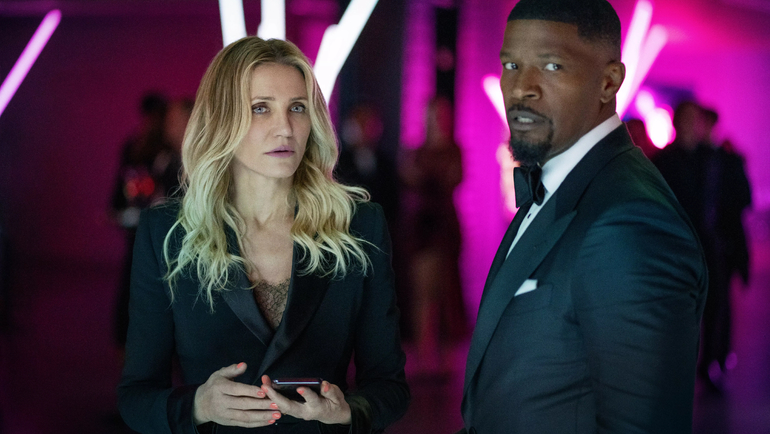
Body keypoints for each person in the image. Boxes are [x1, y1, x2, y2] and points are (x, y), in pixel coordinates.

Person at [117, 37, 409, 433]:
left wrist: (347, 413)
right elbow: (136, 397)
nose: (284, 128)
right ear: (222, 119)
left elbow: (390, 387)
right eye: (260, 108)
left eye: (297, 108)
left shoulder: (359, 226)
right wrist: (198, 406)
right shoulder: (167, 233)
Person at [460, 1, 708, 433]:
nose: (521, 88)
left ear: (609, 82)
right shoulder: (560, 183)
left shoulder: (630, 223)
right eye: (511, 65)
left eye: (551, 66)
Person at [653, 104, 752, 390]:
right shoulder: (664, 161)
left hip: (708, 246)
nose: (689, 125)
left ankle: (709, 363)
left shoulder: (716, 160)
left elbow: (734, 203)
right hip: (676, 248)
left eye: (693, 120)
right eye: (685, 119)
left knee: (713, 306)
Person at [399, 96, 466, 375]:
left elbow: (450, 179)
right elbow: (410, 178)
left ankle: (446, 361)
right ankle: (424, 360)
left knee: (447, 293)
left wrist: (425, 176)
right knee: (423, 293)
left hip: (444, 229)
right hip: (422, 230)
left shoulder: (453, 151)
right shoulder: (417, 151)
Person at [109, 92, 181, 350]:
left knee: (142, 287)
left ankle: (133, 344)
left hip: (151, 226)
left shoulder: (162, 152)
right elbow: (124, 185)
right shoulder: (144, 148)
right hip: (148, 227)